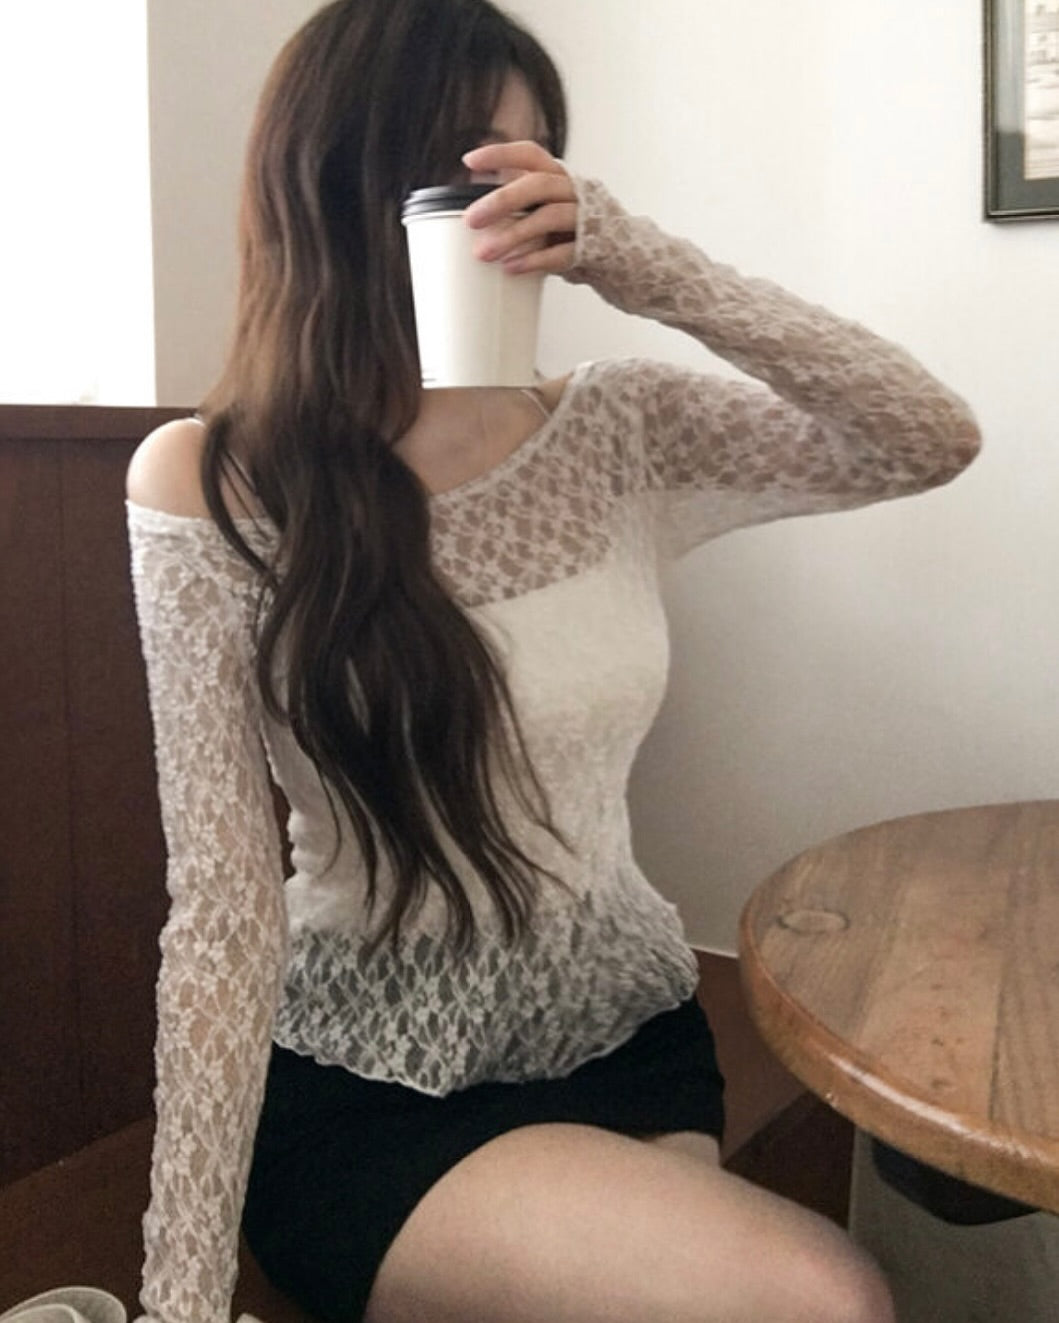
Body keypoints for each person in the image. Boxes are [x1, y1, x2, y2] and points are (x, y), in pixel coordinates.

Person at [126, 2, 980, 1321]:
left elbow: (926, 436)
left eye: (536, 166)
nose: (510, 205)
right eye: (469, 164)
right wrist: (178, 1295)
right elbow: (223, 915)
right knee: (823, 1297)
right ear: (340, 183)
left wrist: (647, 264)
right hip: (365, 1091)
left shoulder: (621, 427)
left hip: (622, 1033)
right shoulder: (211, 483)